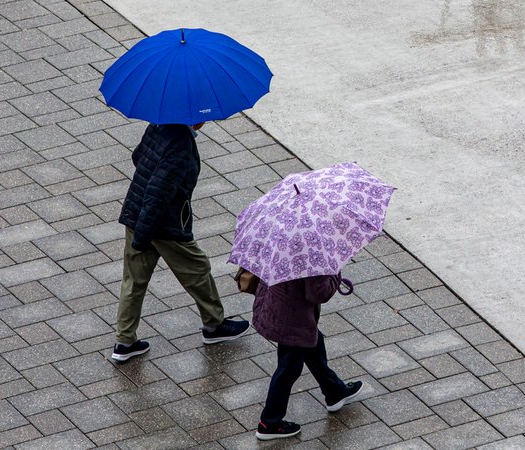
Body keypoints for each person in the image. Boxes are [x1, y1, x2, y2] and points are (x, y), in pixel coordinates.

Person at [111, 122, 249, 362]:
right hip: (163, 224)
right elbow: (159, 194)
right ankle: (214, 325)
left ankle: (124, 342)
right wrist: (145, 236)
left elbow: (138, 156)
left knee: (133, 281)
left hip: (135, 213)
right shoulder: (181, 145)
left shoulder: (158, 123)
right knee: (198, 269)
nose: (205, 121)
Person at [252, 273, 363, 440]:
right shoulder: (312, 254)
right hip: (293, 319)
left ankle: (334, 391)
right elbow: (318, 293)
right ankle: (269, 423)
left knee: (314, 344)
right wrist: (335, 275)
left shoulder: (286, 247)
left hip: (279, 305)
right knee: (289, 368)